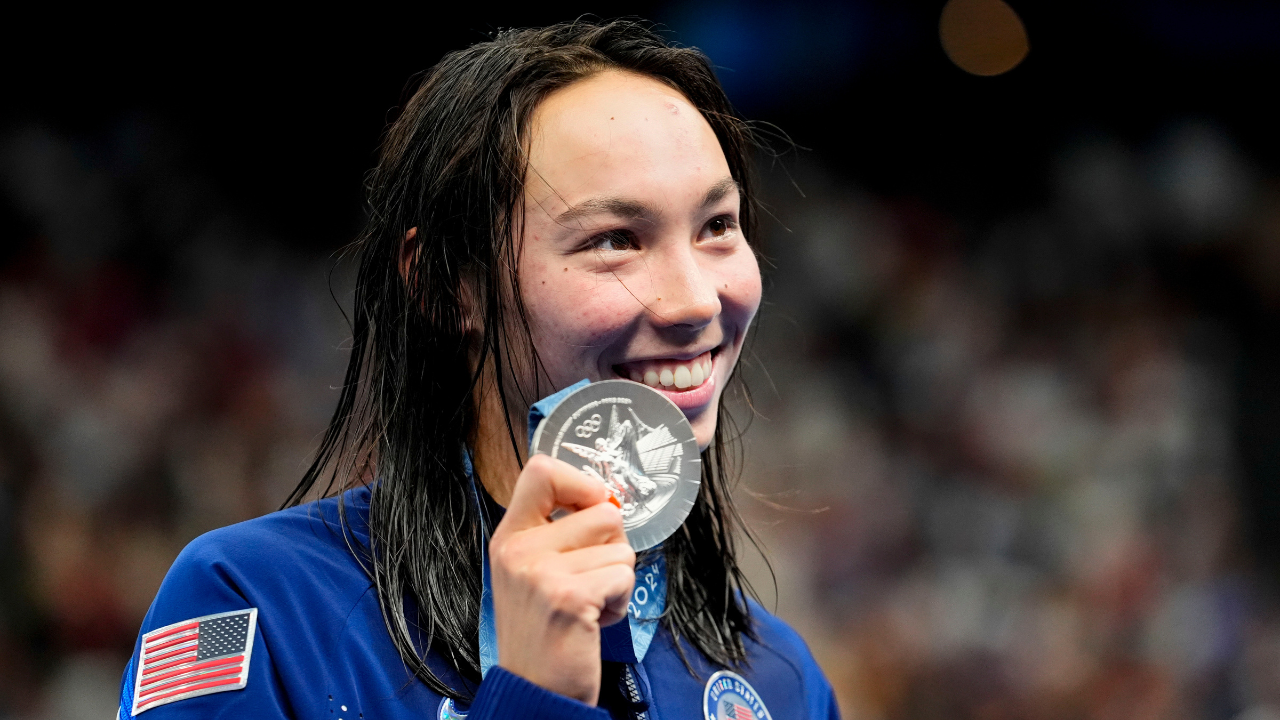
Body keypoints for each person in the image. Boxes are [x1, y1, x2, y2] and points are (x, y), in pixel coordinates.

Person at [116, 19, 839, 720]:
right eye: (615, 239)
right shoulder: (255, 608)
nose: (696, 301)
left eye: (717, 226)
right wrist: (533, 700)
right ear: (446, 284)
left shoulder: (780, 680)